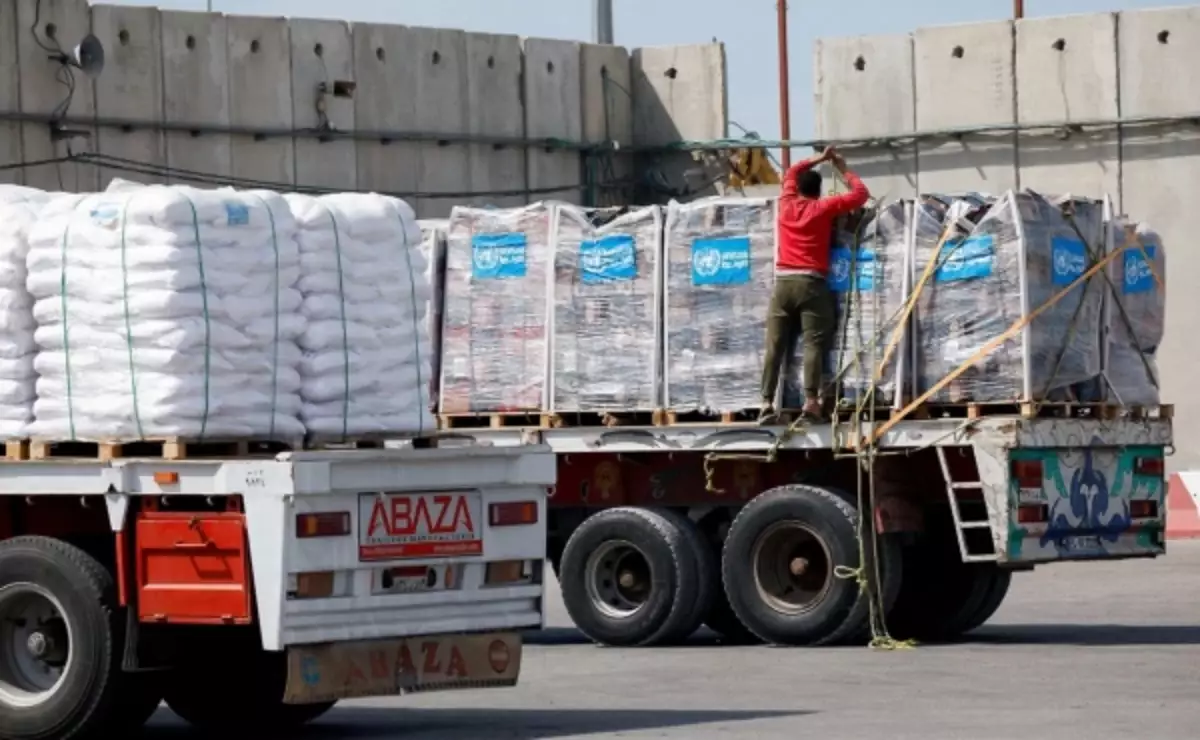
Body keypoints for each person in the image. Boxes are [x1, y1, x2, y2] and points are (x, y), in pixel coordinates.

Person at [759, 146, 870, 423]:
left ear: (796, 188)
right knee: (813, 343)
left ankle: (765, 403)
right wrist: (842, 168)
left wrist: (819, 158)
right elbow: (860, 195)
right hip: (811, 283)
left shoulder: (785, 203)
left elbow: (792, 171)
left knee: (775, 344)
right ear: (818, 191)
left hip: (783, 283)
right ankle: (811, 403)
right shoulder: (823, 208)